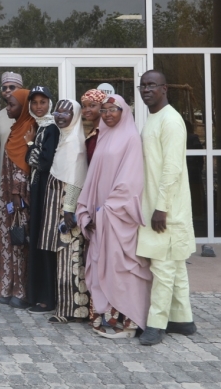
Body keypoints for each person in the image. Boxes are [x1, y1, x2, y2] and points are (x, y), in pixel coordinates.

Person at [76, 94, 151, 340]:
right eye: (105, 109)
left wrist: (107, 211)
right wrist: (89, 209)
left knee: (121, 267)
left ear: (124, 112)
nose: (108, 114)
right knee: (101, 265)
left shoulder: (130, 138)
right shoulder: (103, 137)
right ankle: (104, 317)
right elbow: (93, 177)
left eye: (113, 109)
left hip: (118, 217)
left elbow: (130, 182)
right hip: (101, 215)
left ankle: (128, 323)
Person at [136, 70, 197, 346]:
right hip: (156, 206)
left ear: (165, 88)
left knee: (163, 266)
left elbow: (171, 168)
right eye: (143, 85)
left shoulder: (171, 120)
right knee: (175, 265)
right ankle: (183, 319)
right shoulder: (153, 118)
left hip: (168, 209)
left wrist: (161, 208)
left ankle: (156, 324)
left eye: (152, 85)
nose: (146, 89)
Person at [44, 99, 91, 324]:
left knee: (69, 259)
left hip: (66, 209)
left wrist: (69, 209)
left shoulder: (75, 142)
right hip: (60, 205)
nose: (60, 116)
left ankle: (72, 311)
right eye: (58, 111)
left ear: (76, 116)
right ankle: (67, 308)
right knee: (64, 257)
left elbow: (75, 178)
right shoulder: (66, 138)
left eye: (66, 112)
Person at [0, 89, 34, 308]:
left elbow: (28, 165)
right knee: (10, 238)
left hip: (21, 198)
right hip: (8, 195)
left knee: (21, 240)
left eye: (12, 105)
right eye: (7, 105)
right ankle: (7, 286)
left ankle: (22, 290)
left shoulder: (30, 129)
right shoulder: (15, 129)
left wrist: (19, 195)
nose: (8, 109)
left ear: (24, 107)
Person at [26, 85, 59, 314]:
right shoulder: (39, 127)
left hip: (48, 191)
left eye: (43, 102)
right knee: (37, 239)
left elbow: (43, 161)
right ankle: (38, 295)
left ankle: (48, 298)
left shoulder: (52, 128)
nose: (39, 107)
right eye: (35, 103)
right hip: (39, 190)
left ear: (50, 104)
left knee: (45, 242)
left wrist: (30, 147)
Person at [80, 89, 107, 164]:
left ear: (102, 107)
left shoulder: (104, 132)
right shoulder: (94, 131)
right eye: (84, 106)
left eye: (92, 105)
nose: (86, 110)